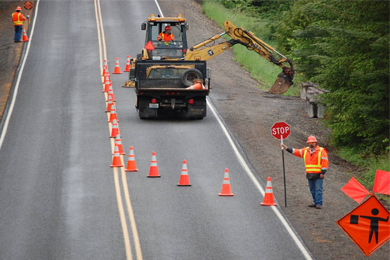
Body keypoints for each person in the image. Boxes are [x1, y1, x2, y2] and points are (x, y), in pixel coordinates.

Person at [281, 135, 329, 209]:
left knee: (318, 189)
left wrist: (323, 172)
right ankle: (315, 202)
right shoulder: (305, 150)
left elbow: (325, 162)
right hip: (310, 174)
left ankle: (319, 203)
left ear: (315, 142)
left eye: (312, 142)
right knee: (312, 189)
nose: (311, 144)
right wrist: (286, 148)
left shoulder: (321, 150)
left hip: (318, 174)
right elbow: (296, 151)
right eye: (310, 142)